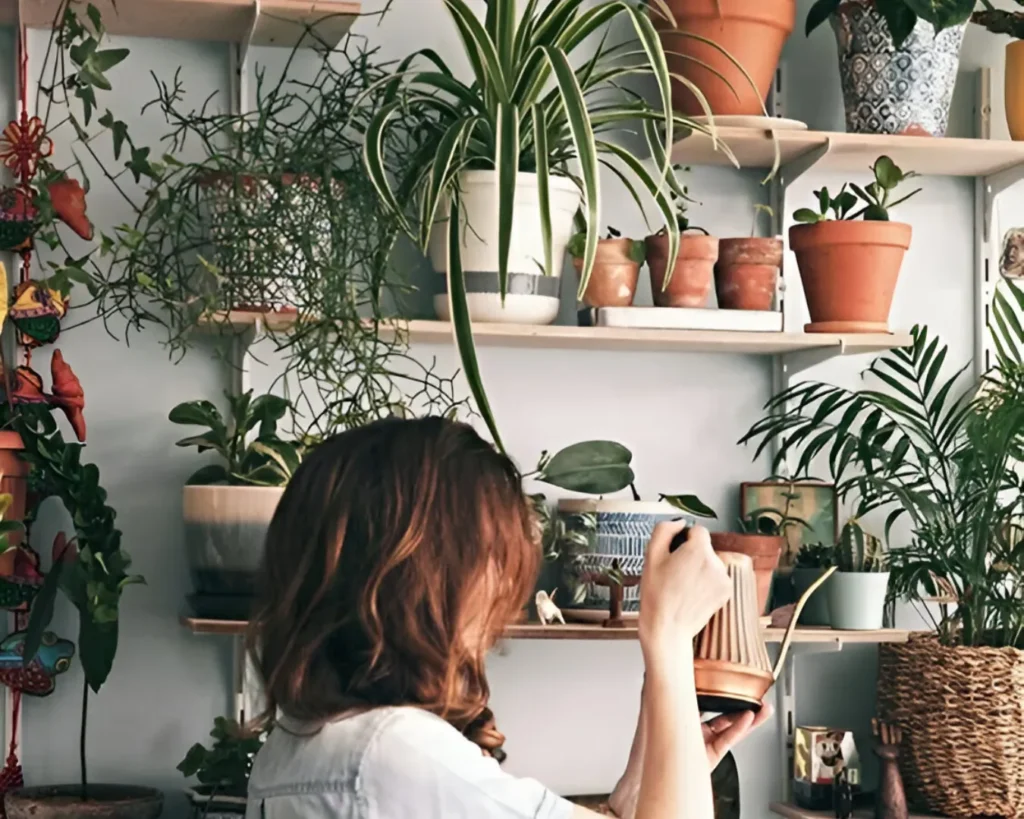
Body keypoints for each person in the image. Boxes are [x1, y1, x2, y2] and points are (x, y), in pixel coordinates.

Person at [245, 417, 772, 819]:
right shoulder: (392, 750)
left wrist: (666, 756)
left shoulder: (296, 746)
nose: (502, 589)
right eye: (490, 557)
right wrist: (670, 639)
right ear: (423, 573)